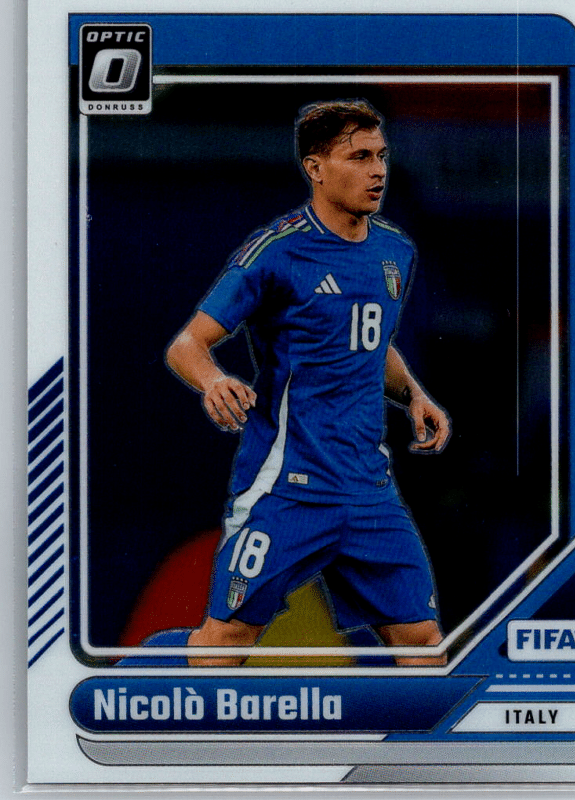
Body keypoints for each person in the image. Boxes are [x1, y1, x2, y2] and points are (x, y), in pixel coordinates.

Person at [166, 99, 451, 666]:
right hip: (288, 487)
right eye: (359, 157)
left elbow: (368, 342)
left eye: (381, 156)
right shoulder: (277, 252)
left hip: (368, 490)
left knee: (422, 643)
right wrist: (215, 381)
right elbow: (187, 345)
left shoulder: (395, 250)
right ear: (315, 168)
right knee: (223, 645)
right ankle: (140, 675)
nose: (378, 170)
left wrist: (413, 394)